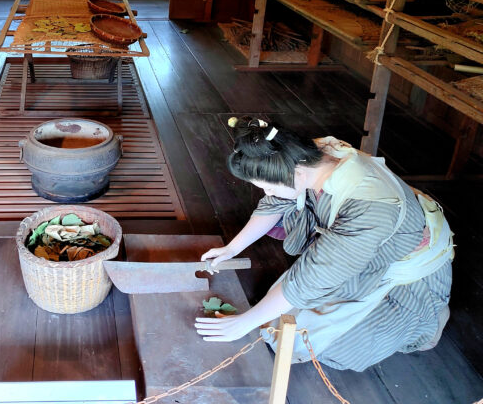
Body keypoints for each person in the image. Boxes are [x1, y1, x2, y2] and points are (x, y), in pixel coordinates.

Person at [194, 116, 454, 371]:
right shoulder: (304, 155)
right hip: (357, 254)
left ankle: (427, 323)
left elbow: (311, 277)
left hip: (405, 273)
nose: (267, 194)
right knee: (278, 319)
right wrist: (232, 248)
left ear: (296, 173)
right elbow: (277, 203)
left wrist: (243, 324)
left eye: (269, 187)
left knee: (331, 348)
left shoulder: (368, 209)